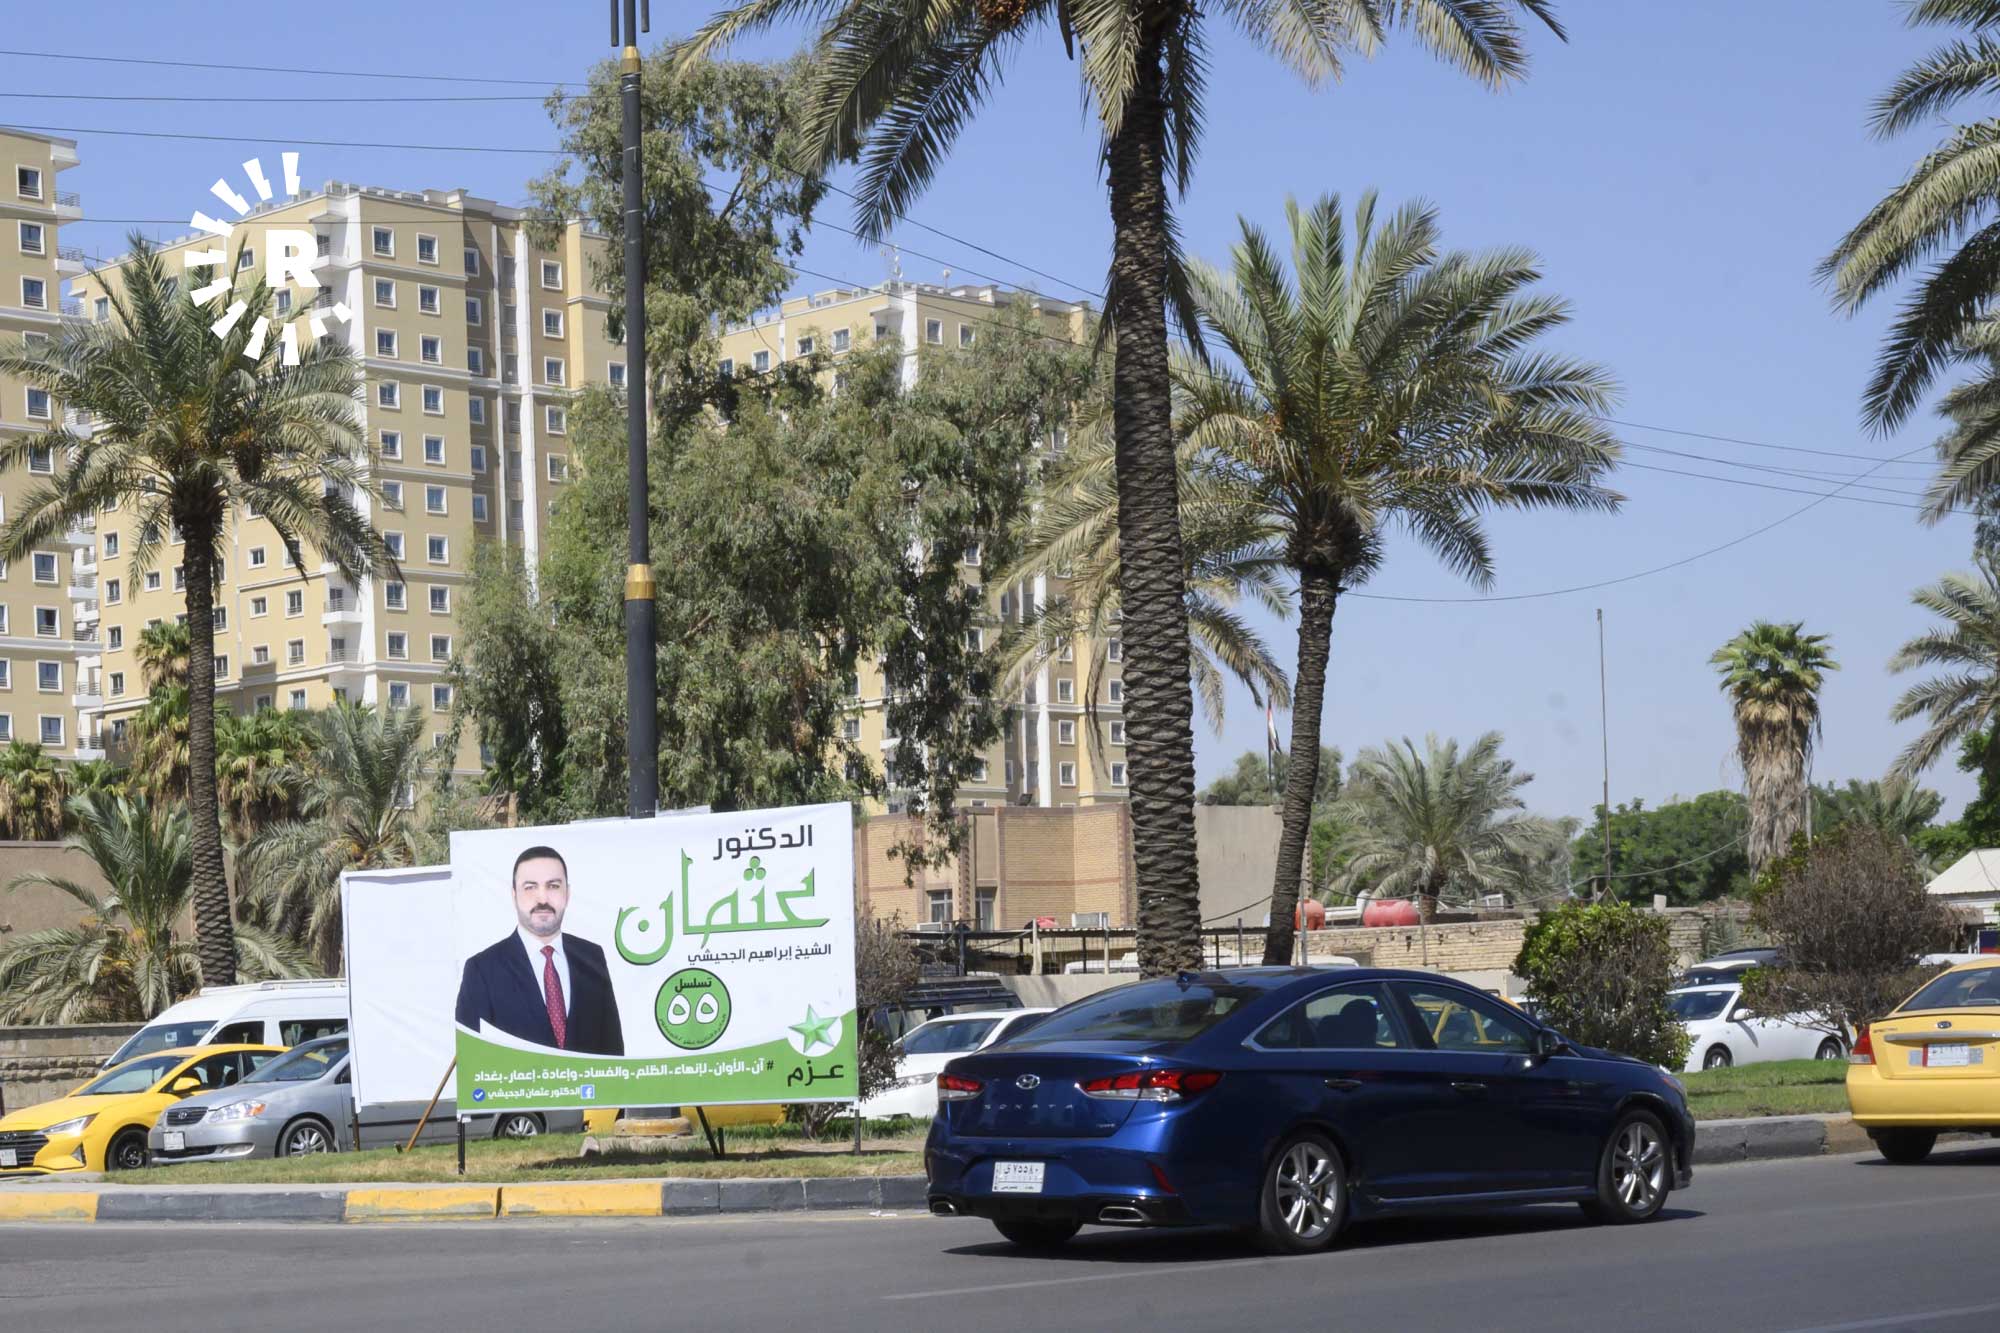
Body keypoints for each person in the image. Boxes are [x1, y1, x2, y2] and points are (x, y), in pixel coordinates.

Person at [455, 846, 624, 1056]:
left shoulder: (592, 957)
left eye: (553, 886)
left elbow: (613, 1056)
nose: (542, 899)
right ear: (514, 894)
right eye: (530, 887)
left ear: (567, 894)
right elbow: (472, 1059)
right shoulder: (483, 969)